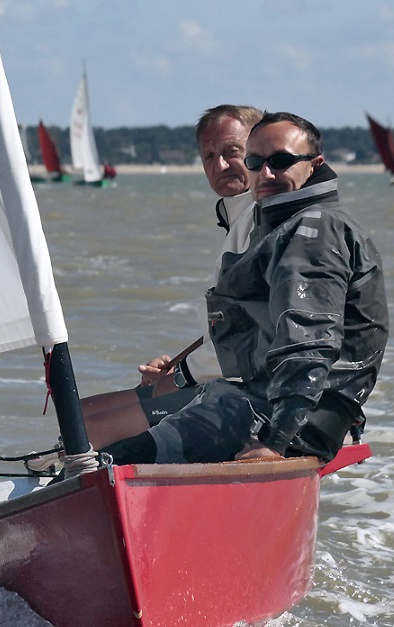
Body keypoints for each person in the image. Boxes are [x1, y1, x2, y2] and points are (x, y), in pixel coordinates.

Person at [100, 111, 388, 466]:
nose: (266, 173)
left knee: (113, 462)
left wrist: (276, 442)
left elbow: (309, 345)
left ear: (314, 165)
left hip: (290, 420)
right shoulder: (282, 225)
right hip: (254, 399)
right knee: (108, 458)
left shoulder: (312, 231)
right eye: (256, 161)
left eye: (281, 161)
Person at [74, 104, 264, 452]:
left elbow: (250, 338)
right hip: (215, 375)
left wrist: (179, 376)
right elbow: (235, 324)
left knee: (85, 430)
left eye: (231, 152)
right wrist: (179, 364)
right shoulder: (238, 219)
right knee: (77, 413)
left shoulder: (259, 222)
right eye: (209, 156)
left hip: (244, 393)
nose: (219, 165)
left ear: (258, 150)